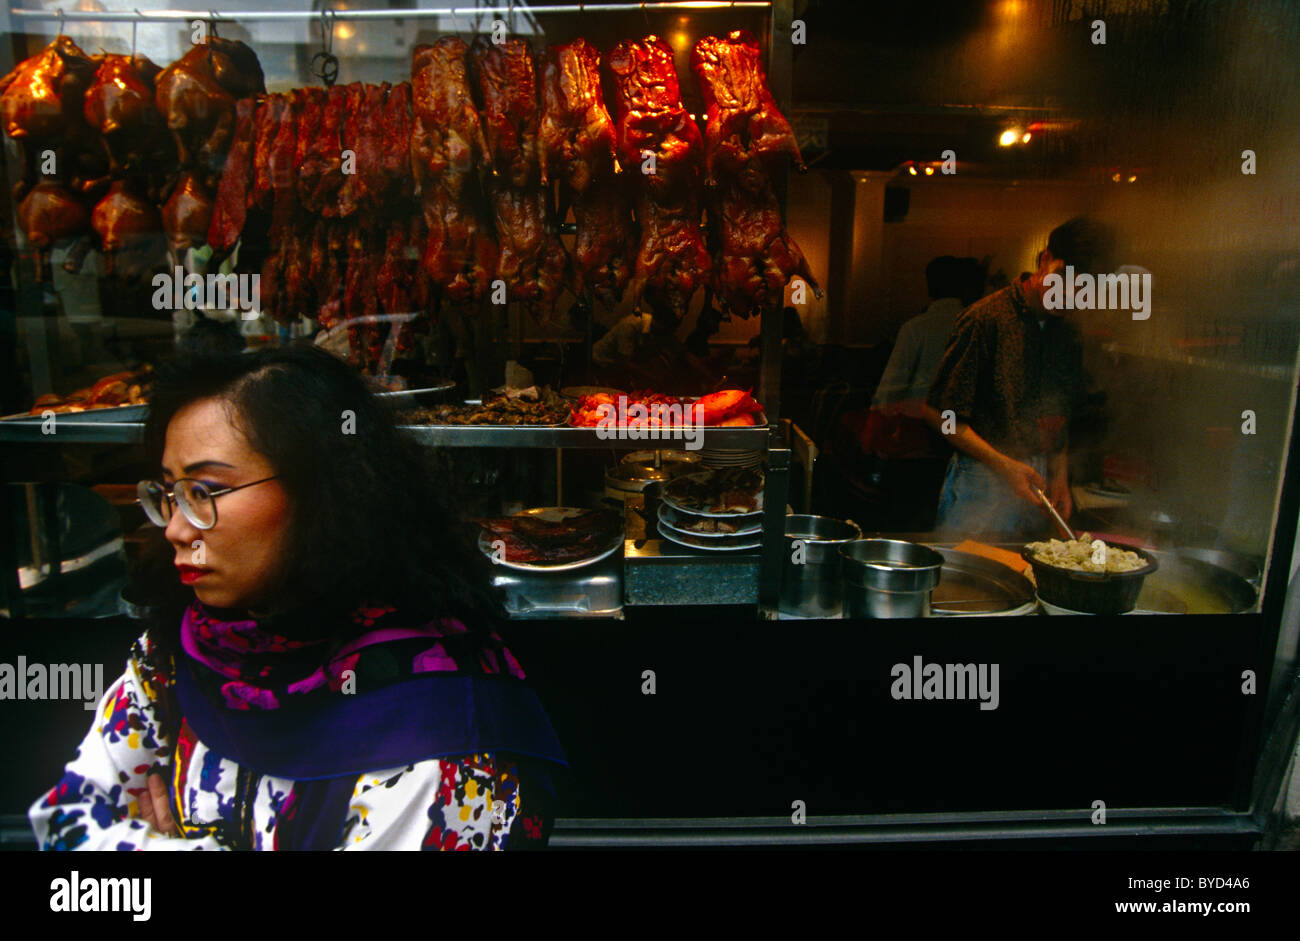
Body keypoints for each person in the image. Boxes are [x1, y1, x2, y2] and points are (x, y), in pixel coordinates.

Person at [29, 345, 565, 850]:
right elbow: (66, 829)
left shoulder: (440, 719)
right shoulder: (179, 654)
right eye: (169, 493)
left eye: (206, 492)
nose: (174, 528)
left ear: (320, 491)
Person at [923, 218, 1111, 538]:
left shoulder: (1067, 334)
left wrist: (1060, 477)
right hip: (980, 482)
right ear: (1044, 260)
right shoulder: (985, 319)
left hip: (1036, 485)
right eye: (1063, 280)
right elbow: (940, 414)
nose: (1068, 296)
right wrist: (1004, 465)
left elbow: (1058, 416)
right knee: (969, 584)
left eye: (1083, 291)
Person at [854, 257, 981, 530]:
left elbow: (892, 385)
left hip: (916, 437)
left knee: (906, 513)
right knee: (942, 511)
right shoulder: (974, 325)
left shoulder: (917, 327)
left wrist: (871, 429)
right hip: (960, 435)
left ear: (929, 286)